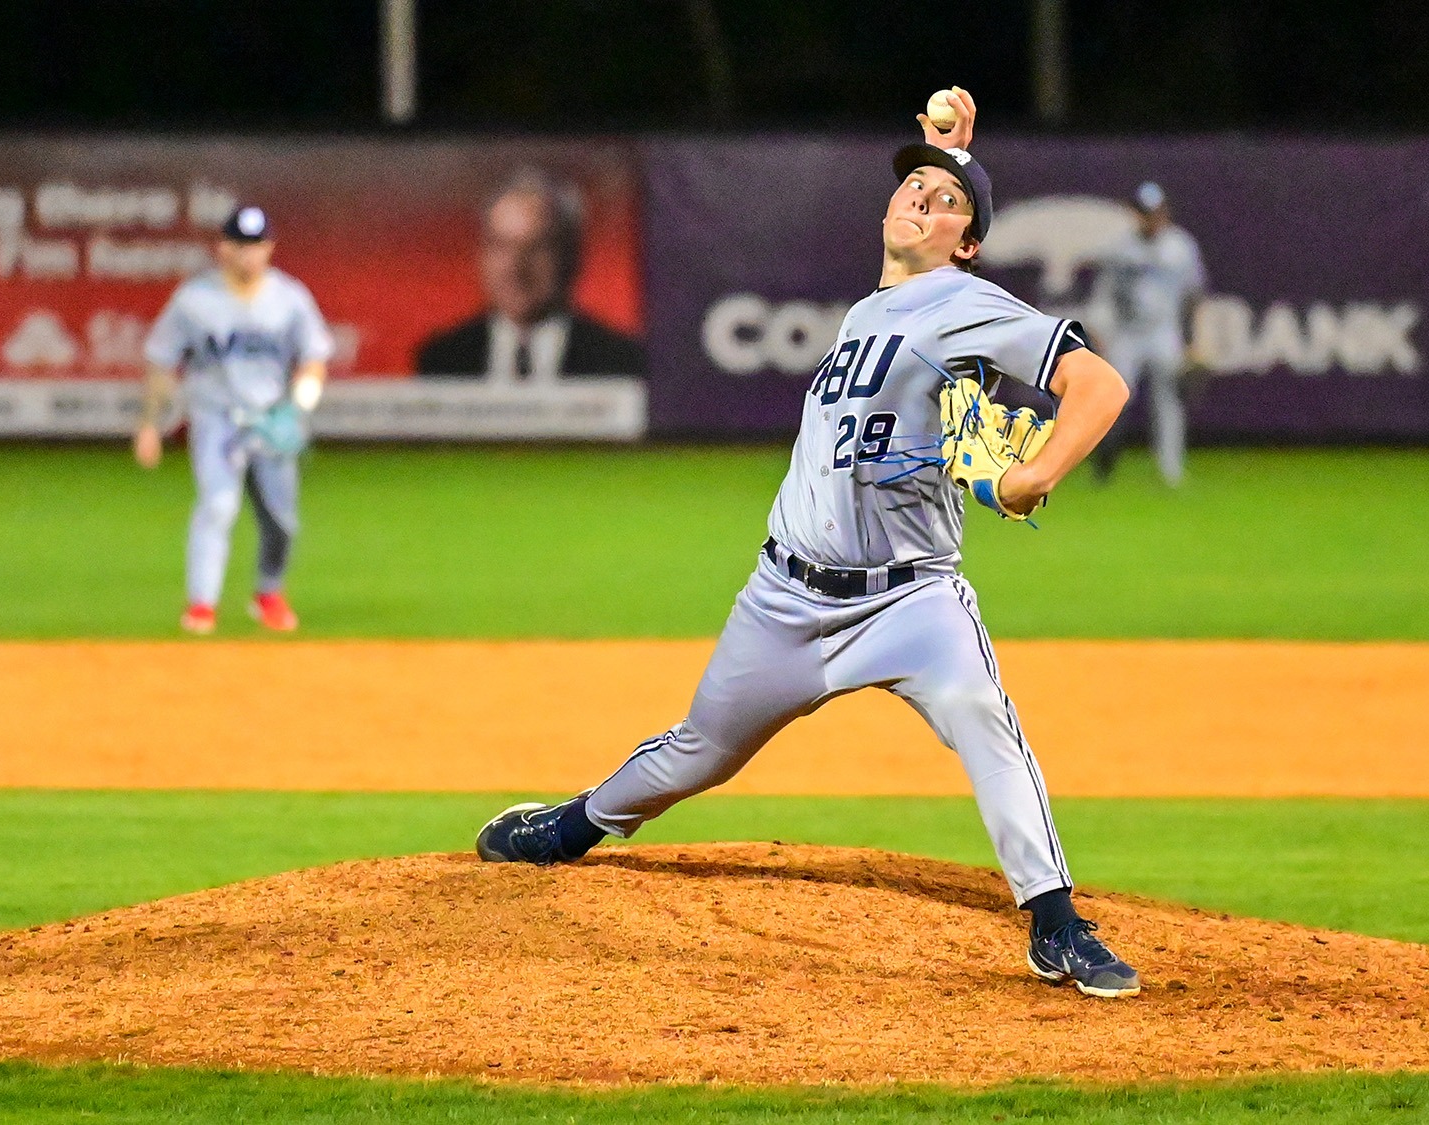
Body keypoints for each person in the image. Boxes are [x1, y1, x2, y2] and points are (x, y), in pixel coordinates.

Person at [474, 90, 1144, 998]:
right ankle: (575, 825)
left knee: (985, 720)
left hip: (909, 599)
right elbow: (930, 192)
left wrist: (1033, 475)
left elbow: (1097, 384)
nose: (920, 199)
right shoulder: (868, 315)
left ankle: (1056, 923)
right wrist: (947, 157)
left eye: (946, 203)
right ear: (885, 210)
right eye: (911, 187)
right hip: (785, 599)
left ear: (971, 244)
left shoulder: (969, 301)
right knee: (698, 749)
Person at [133, 205, 333, 635]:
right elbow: (161, 361)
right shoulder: (195, 300)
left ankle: (268, 593)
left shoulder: (290, 298)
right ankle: (202, 604)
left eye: (257, 246)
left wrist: (299, 406)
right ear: (223, 249)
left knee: (282, 520)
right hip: (216, 419)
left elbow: (314, 357)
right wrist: (150, 423)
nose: (249, 256)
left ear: (270, 249)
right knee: (218, 505)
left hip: (272, 418)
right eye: (241, 246)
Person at [414, 168, 645, 382]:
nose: (515, 267)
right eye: (501, 246)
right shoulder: (441, 359)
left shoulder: (621, 360)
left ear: (571, 256)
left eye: (536, 247)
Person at [1087, 181, 1208, 486]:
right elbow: (1104, 297)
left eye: (1155, 212)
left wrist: (1192, 340)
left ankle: (1171, 470)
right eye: (1145, 212)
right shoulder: (1120, 247)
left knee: (1169, 402)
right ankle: (1104, 464)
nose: (1151, 218)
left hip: (1163, 331)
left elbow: (1192, 295)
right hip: (1128, 333)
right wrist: (1101, 334)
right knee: (1114, 398)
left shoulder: (1180, 246)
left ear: (1164, 212)